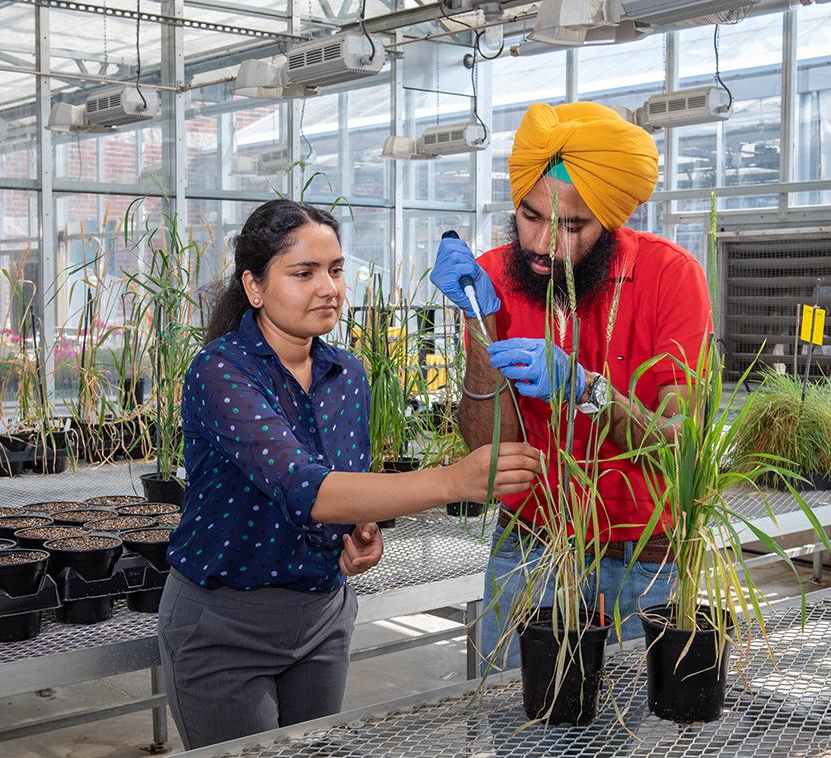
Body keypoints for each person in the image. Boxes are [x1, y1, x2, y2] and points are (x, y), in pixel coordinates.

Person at [158, 199, 541, 748]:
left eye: (336, 270)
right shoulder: (222, 370)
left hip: (322, 619)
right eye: (304, 273)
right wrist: (453, 481)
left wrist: (360, 532)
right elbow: (306, 487)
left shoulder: (346, 374)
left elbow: (342, 484)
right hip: (225, 625)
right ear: (255, 286)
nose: (328, 288)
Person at [429, 101, 713, 673]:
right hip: (529, 546)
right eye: (530, 216)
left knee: (640, 712)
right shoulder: (493, 276)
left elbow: (681, 442)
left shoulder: (669, 275)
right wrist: (481, 325)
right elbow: (487, 451)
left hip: (642, 558)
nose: (542, 244)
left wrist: (589, 391)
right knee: (513, 709)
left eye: (571, 226)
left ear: (610, 221)